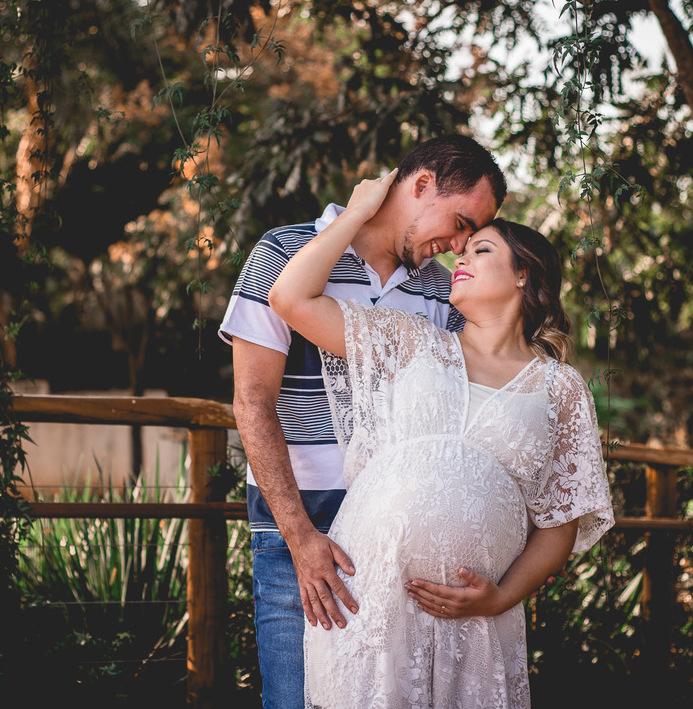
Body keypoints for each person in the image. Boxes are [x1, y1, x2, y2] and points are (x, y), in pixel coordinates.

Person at [267, 169, 614, 709]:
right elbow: (289, 298)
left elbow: (560, 523)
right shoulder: (412, 342)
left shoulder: (561, 388)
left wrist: (499, 598)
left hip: (475, 620)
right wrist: (356, 213)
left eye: (480, 250)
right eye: (461, 251)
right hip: (369, 594)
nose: (460, 259)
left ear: (523, 275)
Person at [219, 135, 507, 709]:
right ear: (421, 184)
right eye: (460, 224)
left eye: (471, 237)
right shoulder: (282, 252)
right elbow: (252, 401)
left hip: (402, 543)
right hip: (301, 535)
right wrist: (300, 537)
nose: (457, 246)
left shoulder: (443, 291)